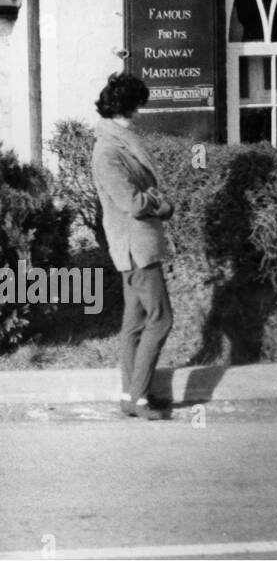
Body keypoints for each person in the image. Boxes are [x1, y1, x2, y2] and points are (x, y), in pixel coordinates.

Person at [91, 73, 174, 421]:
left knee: (136, 322)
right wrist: (160, 202)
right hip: (136, 246)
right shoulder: (109, 150)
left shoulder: (117, 142)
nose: (140, 113)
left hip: (135, 245)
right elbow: (132, 201)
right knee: (161, 319)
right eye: (138, 106)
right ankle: (138, 397)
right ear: (129, 107)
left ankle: (130, 394)